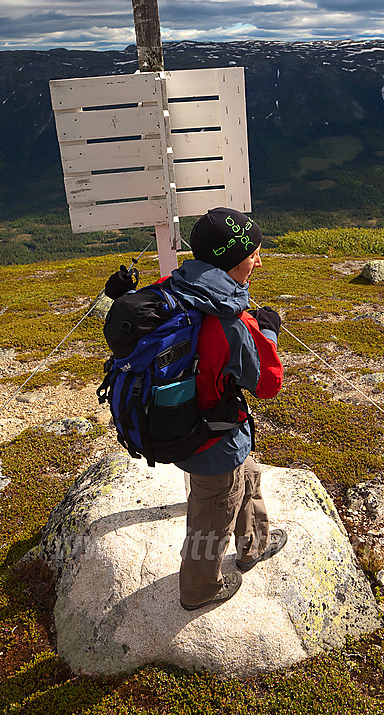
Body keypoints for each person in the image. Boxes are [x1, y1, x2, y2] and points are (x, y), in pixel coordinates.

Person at [108, 207, 287, 610]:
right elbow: (268, 384)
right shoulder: (230, 323)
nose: (258, 261)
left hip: (203, 428)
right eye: (253, 253)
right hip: (209, 443)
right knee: (212, 517)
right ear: (229, 259)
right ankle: (199, 589)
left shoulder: (173, 288)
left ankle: (253, 544)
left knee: (247, 475)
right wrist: (268, 332)